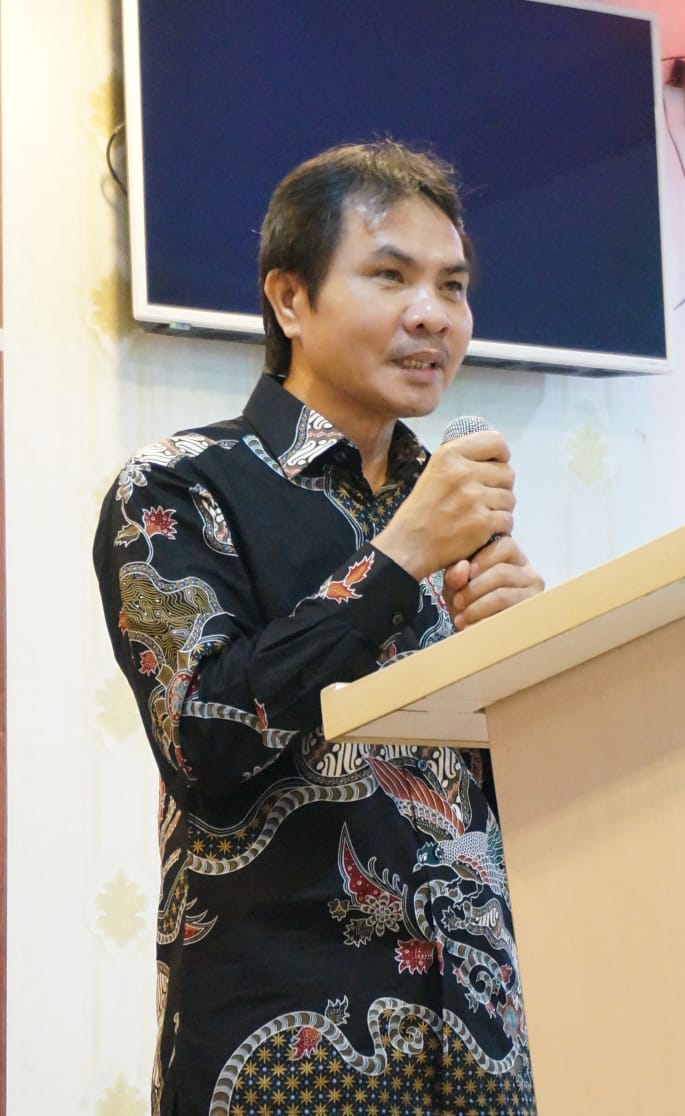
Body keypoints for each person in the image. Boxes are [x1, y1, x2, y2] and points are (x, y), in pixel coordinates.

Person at [94, 140, 544, 1116]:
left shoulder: (455, 511)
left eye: (453, 286)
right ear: (290, 299)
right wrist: (396, 560)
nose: (433, 313)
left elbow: (503, 809)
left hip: (485, 1050)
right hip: (284, 1054)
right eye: (390, 275)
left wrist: (530, 667)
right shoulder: (178, 488)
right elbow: (204, 739)